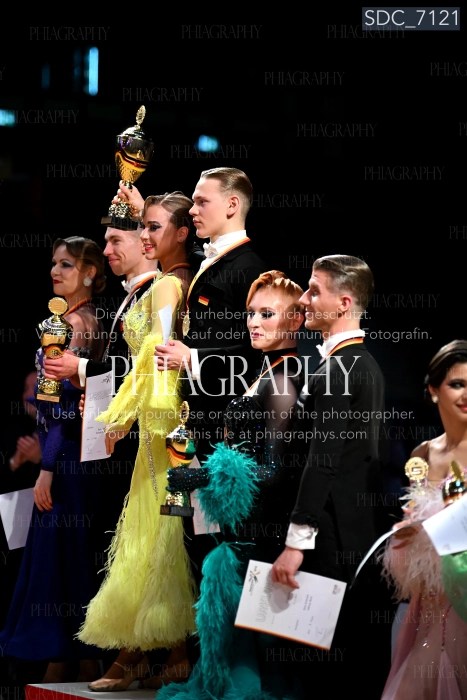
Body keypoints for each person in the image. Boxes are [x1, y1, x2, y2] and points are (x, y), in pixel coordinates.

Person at [157, 269, 306, 699]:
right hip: (241, 533)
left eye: (267, 314)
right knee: (235, 656)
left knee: (253, 669)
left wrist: (201, 476)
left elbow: (274, 472)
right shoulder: (266, 372)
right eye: (251, 313)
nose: (254, 322)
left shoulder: (283, 380)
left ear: (296, 320)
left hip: (260, 539)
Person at [76, 192, 198, 692]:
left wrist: (120, 415)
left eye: (152, 228)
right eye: (141, 227)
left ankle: (140, 653)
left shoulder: (169, 284)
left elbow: (158, 355)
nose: (144, 237)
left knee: (160, 531)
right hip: (158, 425)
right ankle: (166, 651)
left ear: (179, 233)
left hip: (166, 425)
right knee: (157, 530)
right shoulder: (174, 280)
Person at [270, 254, 394, 698]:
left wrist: (294, 545)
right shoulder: (362, 365)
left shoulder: (339, 370)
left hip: (331, 541)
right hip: (353, 536)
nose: (304, 300)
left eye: (313, 290)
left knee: (327, 674)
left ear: (343, 303)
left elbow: (322, 461)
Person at [0, 236, 108, 683]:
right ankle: (75, 658)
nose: (54, 271)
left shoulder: (72, 325)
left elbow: (60, 409)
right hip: (76, 457)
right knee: (72, 557)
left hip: (66, 461)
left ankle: (68, 657)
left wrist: (45, 468)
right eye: (53, 263)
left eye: (66, 264)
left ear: (89, 273)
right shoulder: (83, 320)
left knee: (59, 559)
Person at [380, 339, 467, 700]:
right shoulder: (423, 453)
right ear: (433, 390)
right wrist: (405, 533)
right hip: (426, 606)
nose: (466, 394)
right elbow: (415, 515)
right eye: (457, 384)